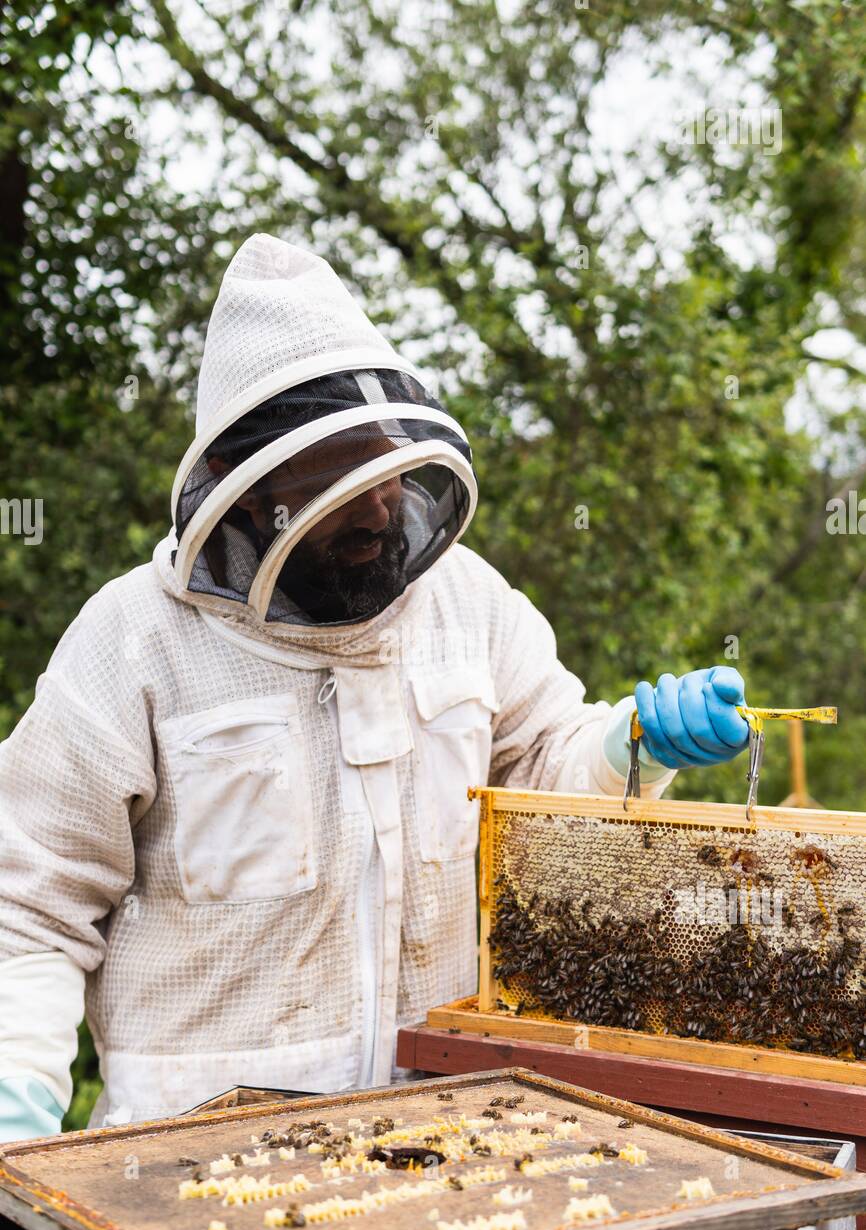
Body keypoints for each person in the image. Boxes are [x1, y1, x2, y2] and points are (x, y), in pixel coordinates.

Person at [0, 234, 749, 1138]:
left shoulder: (468, 605)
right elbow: (29, 907)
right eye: (336, 477)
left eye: (386, 469)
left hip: (451, 1139)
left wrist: (631, 744)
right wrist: (15, 1104)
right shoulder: (133, 643)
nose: (379, 507)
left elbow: (542, 783)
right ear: (250, 490)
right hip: (190, 1161)